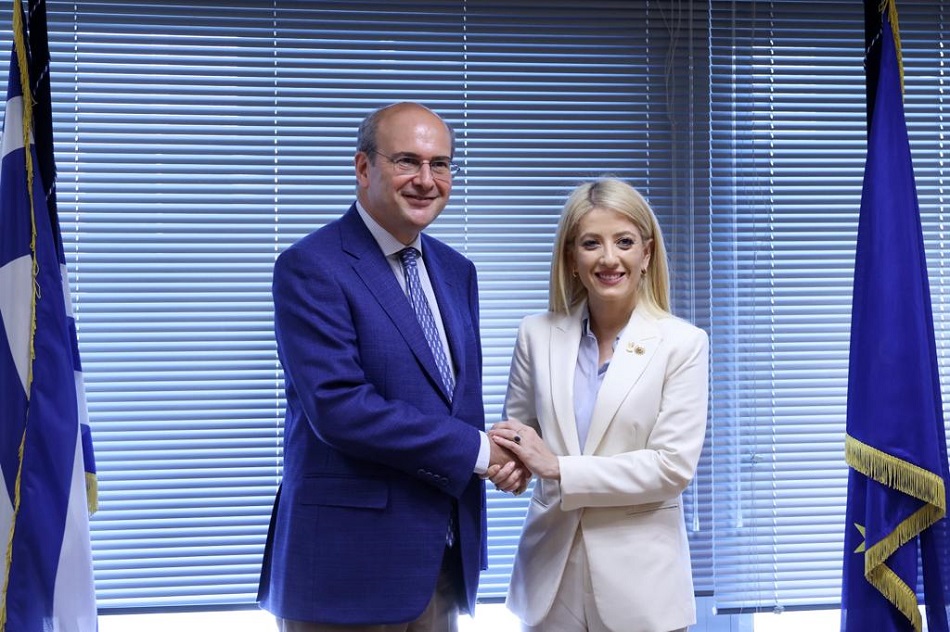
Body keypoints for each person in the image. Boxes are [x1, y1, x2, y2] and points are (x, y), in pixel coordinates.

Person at [257, 101, 529, 632]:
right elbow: (339, 408)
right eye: (407, 161)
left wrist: (506, 457)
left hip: (441, 562)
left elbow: (455, 403)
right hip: (346, 569)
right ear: (363, 168)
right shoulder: (310, 266)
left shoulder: (456, 270)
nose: (426, 180)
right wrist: (480, 452)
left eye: (440, 164)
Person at [490, 177, 709, 632]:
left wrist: (558, 468)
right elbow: (521, 438)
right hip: (549, 582)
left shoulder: (683, 344)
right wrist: (510, 465)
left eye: (624, 242)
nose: (609, 258)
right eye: (592, 243)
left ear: (646, 254)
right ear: (572, 257)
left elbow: (672, 468)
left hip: (643, 590)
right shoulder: (535, 334)